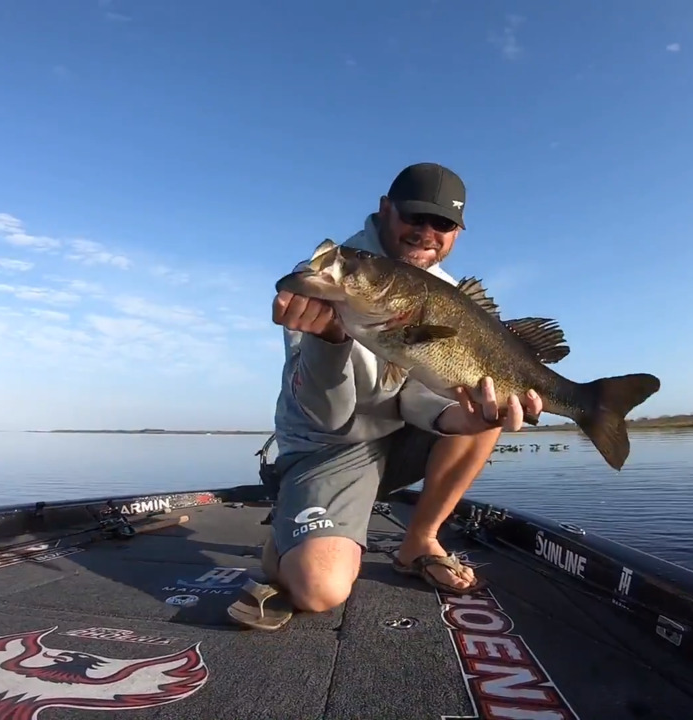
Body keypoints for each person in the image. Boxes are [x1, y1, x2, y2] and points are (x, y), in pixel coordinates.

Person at [227, 162, 544, 630]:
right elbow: (327, 417)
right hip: (328, 450)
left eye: (443, 224)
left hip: (396, 437)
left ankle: (420, 540)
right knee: (321, 589)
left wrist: (465, 421)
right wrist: (329, 344)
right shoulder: (332, 277)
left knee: (484, 407)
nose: (426, 233)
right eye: (414, 217)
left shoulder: (448, 293)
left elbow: (414, 398)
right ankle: (287, 536)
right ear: (385, 210)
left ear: (456, 232)